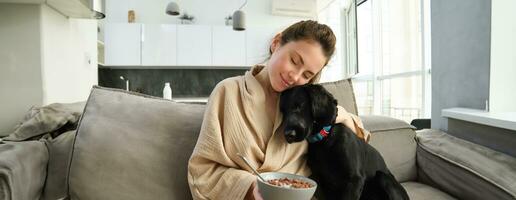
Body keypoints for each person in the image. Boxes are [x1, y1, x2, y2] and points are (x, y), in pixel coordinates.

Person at [187, 20, 370, 200]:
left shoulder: (309, 103)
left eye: (307, 74)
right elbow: (203, 169)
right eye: (294, 60)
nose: (295, 76)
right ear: (276, 43)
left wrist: (344, 118)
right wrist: (250, 187)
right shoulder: (228, 92)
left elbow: (359, 138)